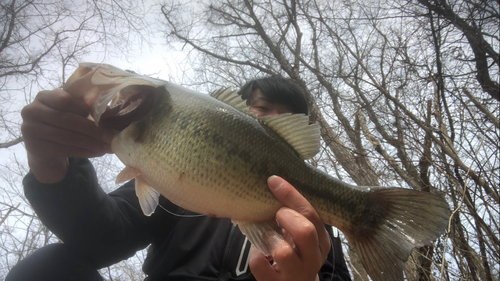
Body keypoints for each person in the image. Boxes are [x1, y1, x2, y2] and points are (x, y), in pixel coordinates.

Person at [8, 76, 351, 281]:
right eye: (260, 110)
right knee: (45, 268)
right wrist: (51, 164)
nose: (271, 122)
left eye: (286, 118)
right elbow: (101, 237)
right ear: (235, 119)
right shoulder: (172, 178)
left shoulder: (312, 224)